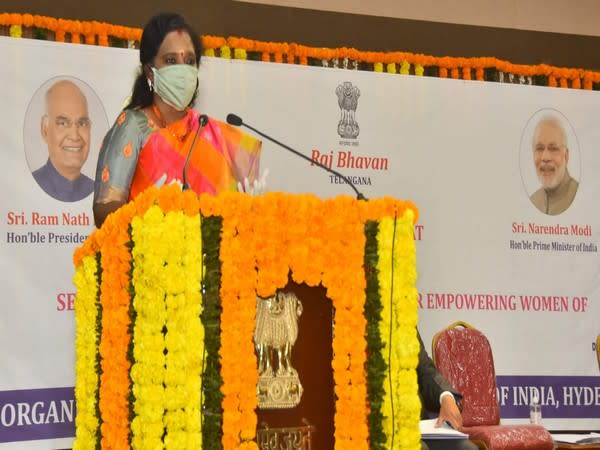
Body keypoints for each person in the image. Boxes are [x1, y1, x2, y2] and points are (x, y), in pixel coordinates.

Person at [93, 13, 261, 228]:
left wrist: (244, 208)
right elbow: (102, 211)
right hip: (148, 254)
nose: (182, 69)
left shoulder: (209, 132)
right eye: (171, 60)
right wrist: (144, 212)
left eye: (189, 61)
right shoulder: (133, 126)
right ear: (150, 72)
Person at [33, 80, 94, 202]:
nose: (75, 136)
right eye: (63, 123)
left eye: (82, 123)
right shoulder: (31, 185)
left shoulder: (96, 190)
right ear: (45, 130)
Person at [417, 331, 478, 450]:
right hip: (380, 425)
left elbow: (426, 372)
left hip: (419, 425)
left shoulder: (405, 323)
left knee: (467, 448)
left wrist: (446, 397)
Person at [529, 115, 578, 215]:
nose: (545, 157)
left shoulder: (580, 196)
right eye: (540, 148)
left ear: (566, 156)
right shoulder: (533, 201)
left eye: (553, 149)